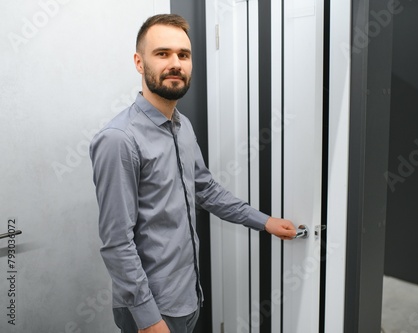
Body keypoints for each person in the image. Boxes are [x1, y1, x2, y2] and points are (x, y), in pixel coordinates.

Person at [89, 13, 297, 333]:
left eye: (183, 55)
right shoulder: (119, 139)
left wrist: (264, 221)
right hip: (151, 309)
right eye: (162, 54)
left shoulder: (181, 126)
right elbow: (117, 243)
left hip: (187, 294)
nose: (176, 63)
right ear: (139, 62)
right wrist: (149, 321)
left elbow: (206, 189)